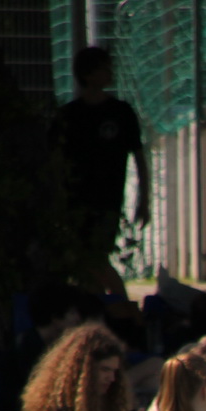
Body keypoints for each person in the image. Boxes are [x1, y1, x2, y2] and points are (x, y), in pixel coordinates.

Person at [56, 46, 148, 297]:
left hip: (108, 202)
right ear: (88, 74)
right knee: (86, 264)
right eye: (104, 68)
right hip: (76, 202)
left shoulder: (121, 113)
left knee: (94, 259)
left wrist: (144, 199)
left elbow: (139, 157)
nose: (110, 72)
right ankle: (104, 309)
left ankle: (121, 307)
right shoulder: (69, 116)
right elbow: (56, 162)